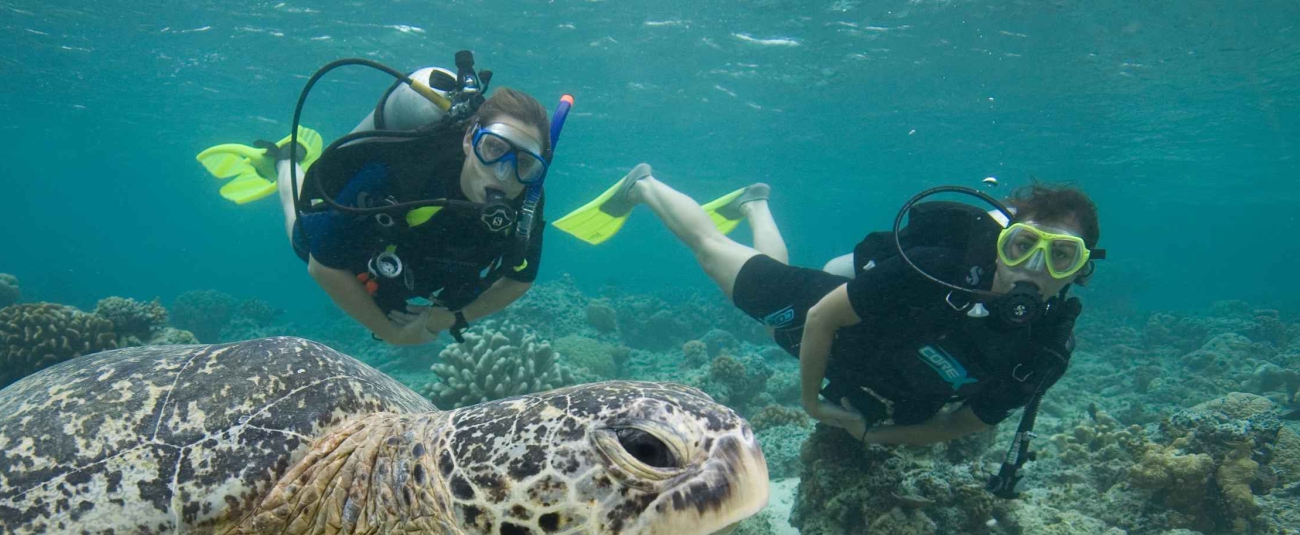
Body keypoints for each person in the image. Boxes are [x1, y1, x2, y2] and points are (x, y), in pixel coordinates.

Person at [554, 167, 1102, 450]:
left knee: (771, 289)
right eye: (1022, 246)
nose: (1033, 268)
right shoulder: (936, 266)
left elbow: (967, 422)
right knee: (712, 253)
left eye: (1059, 257)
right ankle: (644, 184)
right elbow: (822, 318)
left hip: (851, 352)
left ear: (1078, 272)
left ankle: (754, 204)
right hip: (822, 315)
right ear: (1002, 244)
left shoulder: (1045, 349)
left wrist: (874, 435)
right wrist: (812, 404)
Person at [200, 63, 558, 346]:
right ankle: (284, 161)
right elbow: (321, 266)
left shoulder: (527, 199)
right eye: (494, 148)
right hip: (366, 243)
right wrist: (391, 333)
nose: (504, 173)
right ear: (469, 139)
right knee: (301, 234)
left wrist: (453, 318)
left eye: (524, 162)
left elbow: (519, 278)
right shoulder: (403, 171)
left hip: (416, 265)